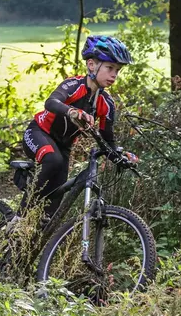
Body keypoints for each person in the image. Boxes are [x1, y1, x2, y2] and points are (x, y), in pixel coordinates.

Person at [20, 35, 138, 218]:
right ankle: (19, 219)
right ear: (91, 65)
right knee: (53, 160)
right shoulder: (74, 85)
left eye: (117, 70)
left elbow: (107, 139)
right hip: (38, 132)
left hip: (64, 147)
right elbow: (51, 102)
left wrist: (120, 156)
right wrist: (72, 112)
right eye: (109, 68)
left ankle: (34, 239)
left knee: (54, 202)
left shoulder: (106, 103)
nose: (114, 74)